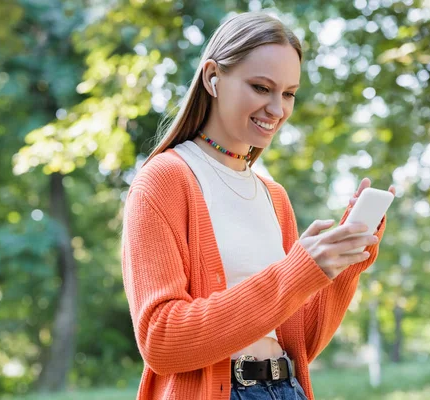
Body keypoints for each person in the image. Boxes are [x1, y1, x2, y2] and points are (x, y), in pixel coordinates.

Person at [120, 11, 395, 400]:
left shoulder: (273, 195)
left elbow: (301, 343)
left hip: (286, 389)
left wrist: (345, 264)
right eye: (261, 87)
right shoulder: (165, 180)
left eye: (288, 93)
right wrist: (294, 273)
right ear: (213, 77)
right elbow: (162, 340)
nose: (277, 109)